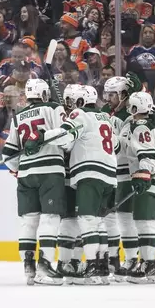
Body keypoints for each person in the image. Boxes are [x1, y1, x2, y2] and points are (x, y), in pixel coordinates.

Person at [38, 85, 119, 285]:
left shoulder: (79, 114)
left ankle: (91, 266)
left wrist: (41, 137)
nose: (70, 105)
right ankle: (100, 268)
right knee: (98, 222)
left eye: (73, 101)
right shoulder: (105, 118)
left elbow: (64, 138)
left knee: (86, 220)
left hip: (89, 172)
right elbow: (115, 145)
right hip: (109, 174)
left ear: (80, 102)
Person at [1, 79, 66, 286]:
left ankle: (28, 267)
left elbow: (8, 154)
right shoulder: (54, 108)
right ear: (45, 94)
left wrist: (17, 169)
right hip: (50, 171)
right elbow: (66, 137)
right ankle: (45, 265)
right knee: (49, 218)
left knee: (29, 220)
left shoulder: (18, 116)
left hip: (27, 173)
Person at [123, 91, 155, 284]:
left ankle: (150, 267)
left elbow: (146, 153)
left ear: (134, 108)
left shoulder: (140, 127)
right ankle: (148, 264)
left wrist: (143, 174)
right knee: (144, 220)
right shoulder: (154, 121)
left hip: (149, 175)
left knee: (144, 221)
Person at [102, 76, 137, 281]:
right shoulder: (105, 112)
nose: (109, 98)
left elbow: (125, 146)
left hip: (125, 171)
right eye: (107, 94)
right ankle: (112, 258)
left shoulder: (130, 114)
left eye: (113, 94)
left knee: (125, 218)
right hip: (108, 170)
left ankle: (132, 259)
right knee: (107, 216)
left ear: (124, 94)